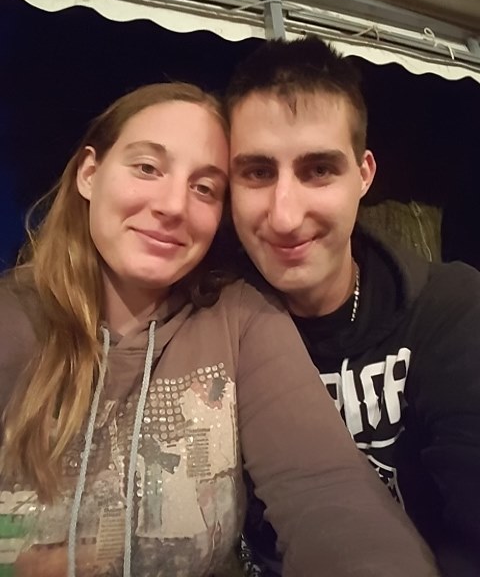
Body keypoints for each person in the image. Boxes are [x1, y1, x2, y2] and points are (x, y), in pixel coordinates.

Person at [0, 82, 438, 577]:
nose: (173, 206)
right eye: (147, 168)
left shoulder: (238, 317)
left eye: (204, 188)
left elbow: (324, 486)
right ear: (89, 173)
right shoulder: (13, 319)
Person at [226, 36, 480, 576]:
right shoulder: (213, 323)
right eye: (258, 172)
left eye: (318, 169)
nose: (285, 216)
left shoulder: (450, 311)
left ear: (364, 174)